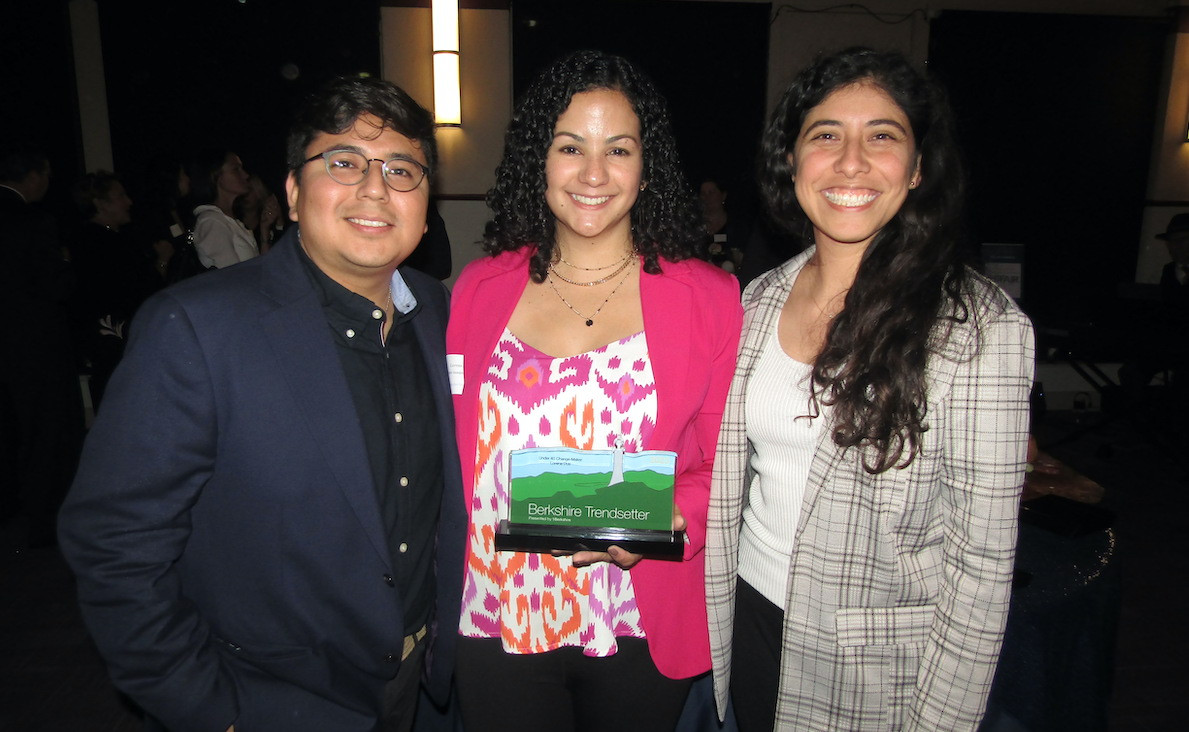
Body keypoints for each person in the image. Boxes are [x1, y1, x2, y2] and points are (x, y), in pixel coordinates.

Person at [58, 76, 466, 732]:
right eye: (343, 163)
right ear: (295, 193)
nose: (374, 188)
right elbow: (115, 543)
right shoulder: (196, 326)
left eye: (402, 170)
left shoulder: (447, 314)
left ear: (426, 203)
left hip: (422, 688)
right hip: (271, 700)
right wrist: (209, 709)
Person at [705, 47, 1034, 731]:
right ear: (790, 161)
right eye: (824, 135)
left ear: (916, 169)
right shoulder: (756, 300)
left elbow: (980, 572)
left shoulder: (978, 329)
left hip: (872, 671)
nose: (850, 162)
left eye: (881, 136)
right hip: (746, 620)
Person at [447, 50, 742, 732]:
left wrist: (674, 515)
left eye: (618, 149)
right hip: (496, 611)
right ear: (537, 161)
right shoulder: (478, 291)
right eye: (569, 147)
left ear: (647, 167)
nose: (592, 174)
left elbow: (729, 456)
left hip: (636, 616)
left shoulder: (708, 298)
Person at [0, 145, 82, 547]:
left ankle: (19, 512)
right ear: (31, 175)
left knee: (15, 429)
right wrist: (63, 264)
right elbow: (56, 285)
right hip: (36, 344)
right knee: (48, 431)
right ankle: (47, 521)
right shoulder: (33, 220)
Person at [68, 170, 158, 408]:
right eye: (120, 196)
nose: (129, 202)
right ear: (100, 203)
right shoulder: (103, 246)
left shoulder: (95, 241)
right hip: (117, 345)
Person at [185, 148, 259, 268]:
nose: (245, 175)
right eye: (236, 169)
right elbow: (230, 277)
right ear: (216, 176)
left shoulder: (229, 220)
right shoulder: (212, 221)